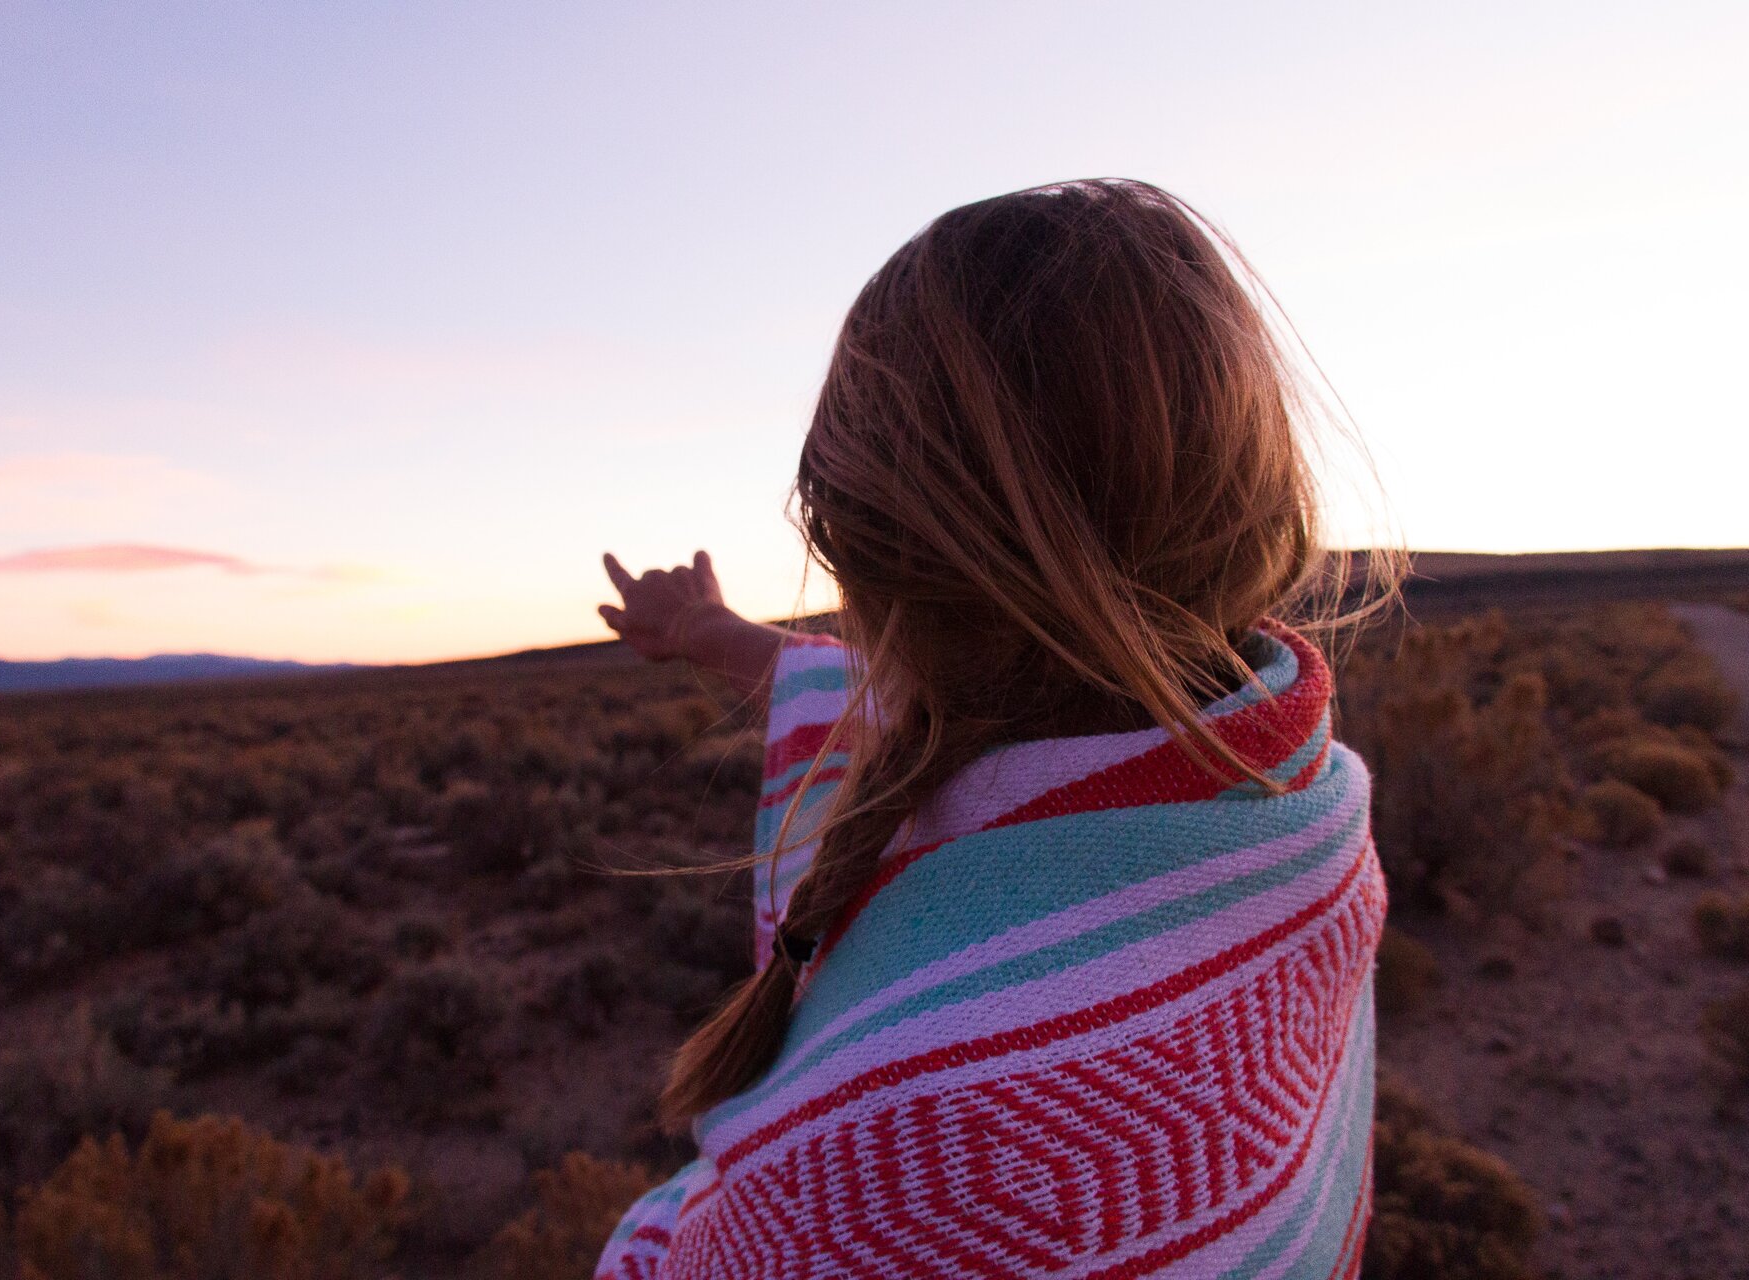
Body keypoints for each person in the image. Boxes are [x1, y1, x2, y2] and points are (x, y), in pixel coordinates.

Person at [593, 179, 1395, 1280]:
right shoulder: (1295, 797)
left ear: (853, 544)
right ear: (1256, 485)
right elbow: (928, 681)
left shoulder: (897, 1186)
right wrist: (717, 633)